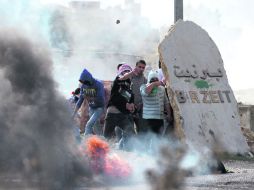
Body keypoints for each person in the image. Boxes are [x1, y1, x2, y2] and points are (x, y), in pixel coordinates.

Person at [103, 64, 135, 150]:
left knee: (131, 133)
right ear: (121, 73)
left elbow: (131, 98)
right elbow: (115, 98)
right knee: (106, 138)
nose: (127, 73)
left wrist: (131, 106)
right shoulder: (117, 81)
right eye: (125, 71)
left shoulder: (129, 86)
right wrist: (132, 72)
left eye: (128, 71)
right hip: (111, 115)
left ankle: (128, 152)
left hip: (122, 116)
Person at [140, 70, 172, 151]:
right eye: (152, 79)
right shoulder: (143, 86)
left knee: (158, 138)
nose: (154, 81)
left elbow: (166, 102)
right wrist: (154, 84)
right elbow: (146, 92)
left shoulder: (161, 89)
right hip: (148, 119)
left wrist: (169, 114)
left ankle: (155, 155)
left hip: (159, 118)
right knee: (148, 137)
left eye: (156, 79)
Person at [73, 69, 105, 135]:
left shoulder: (98, 84)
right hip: (91, 108)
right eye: (83, 82)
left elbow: (100, 99)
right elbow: (80, 101)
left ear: (89, 79)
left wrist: (88, 98)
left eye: (85, 82)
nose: (85, 83)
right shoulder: (83, 86)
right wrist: (74, 114)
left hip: (99, 108)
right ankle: (103, 140)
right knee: (96, 126)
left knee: (89, 125)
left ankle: (84, 142)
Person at [119, 60, 147, 133]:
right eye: (139, 67)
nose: (141, 69)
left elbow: (146, 94)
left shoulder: (144, 80)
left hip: (140, 108)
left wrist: (141, 104)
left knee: (141, 130)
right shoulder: (129, 77)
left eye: (143, 68)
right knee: (129, 130)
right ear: (135, 67)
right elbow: (122, 91)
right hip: (128, 108)